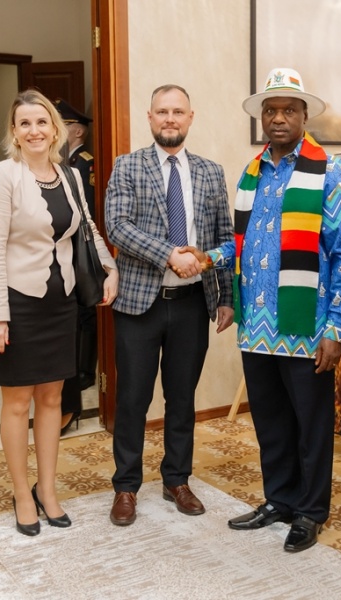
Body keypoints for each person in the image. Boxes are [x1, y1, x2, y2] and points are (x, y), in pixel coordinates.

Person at [187, 68, 341, 553]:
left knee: (311, 424)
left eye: (289, 110)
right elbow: (244, 243)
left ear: (305, 116)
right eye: (271, 110)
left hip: (308, 325)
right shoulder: (253, 172)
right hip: (258, 325)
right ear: (261, 118)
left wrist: (336, 328)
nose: (279, 118)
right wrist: (208, 258)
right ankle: (280, 500)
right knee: (270, 421)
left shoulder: (332, 172)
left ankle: (310, 511)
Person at [0, 89, 118, 536]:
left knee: (54, 399)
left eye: (41, 122)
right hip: (16, 303)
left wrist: (110, 267)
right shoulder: (4, 175)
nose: (34, 130)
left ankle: (48, 489)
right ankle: (22, 493)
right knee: (17, 402)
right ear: (14, 131)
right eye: (25, 123)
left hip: (61, 304)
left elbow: (88, 228)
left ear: (54, 129)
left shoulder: (70, 176)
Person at [103, 84, 234, 526]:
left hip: (192, 304)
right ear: (150, 117)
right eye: (162, 112)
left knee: (182, 398)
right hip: (140, 305)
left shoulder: (211, 172)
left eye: (178, 111)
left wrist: (226, 297)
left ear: (190, 117)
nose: (170, 119)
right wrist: (168, 255)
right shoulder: (127, 166)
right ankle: (126, 487)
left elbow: (224, 237)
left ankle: (177, 479)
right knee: (132, 399)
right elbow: (117, 226)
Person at [54, 99, 98, 437]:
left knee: (86, 315)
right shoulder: (57, 164)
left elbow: (88, 213)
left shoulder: (85, 163)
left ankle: (85, 371)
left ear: (77, 131)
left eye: (63, 124)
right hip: (57, 260)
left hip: (82, 250)